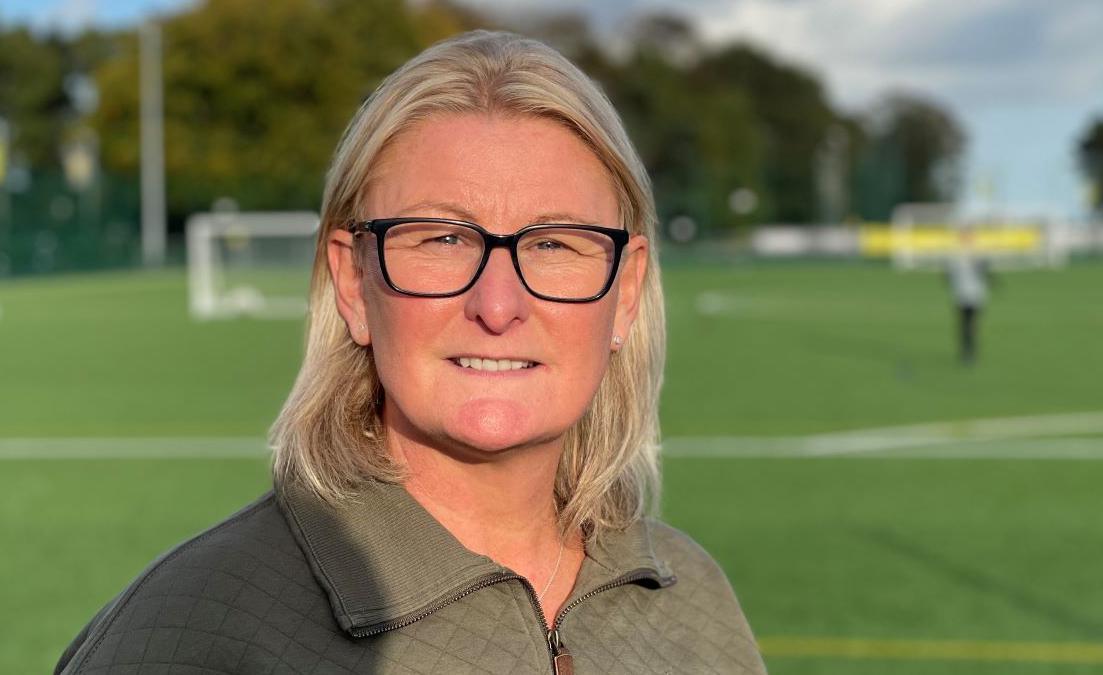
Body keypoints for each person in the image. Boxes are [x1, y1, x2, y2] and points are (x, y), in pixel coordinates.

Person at [56, 30, 766, 674]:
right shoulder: (194, 631)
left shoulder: (693, 603)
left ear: (628, 289)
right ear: (353, 281)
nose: (497, 305)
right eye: (442, 239)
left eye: (553, 244)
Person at [945, 227, 994, 364]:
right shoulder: (955, 254)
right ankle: (966, 351)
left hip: (976, 294)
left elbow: (985, 271)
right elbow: (948, 275)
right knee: (964, 325)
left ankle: (971, 351)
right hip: (960, 294)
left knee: (972, 324)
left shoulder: (978, 252)